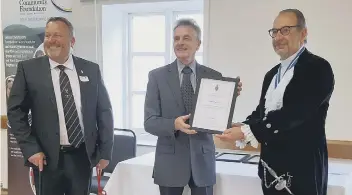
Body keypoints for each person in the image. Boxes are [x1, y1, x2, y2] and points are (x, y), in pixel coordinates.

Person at [217, 9, 334, 195]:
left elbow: (294, 114)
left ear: (303, 33)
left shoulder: (318, 68)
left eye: (285, 30)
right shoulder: (272, 74)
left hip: (302, 174)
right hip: (271, 172)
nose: (278, 37)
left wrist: (247, 131)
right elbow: (262, 113)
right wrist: (241, 125)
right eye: (275, 31)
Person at [7, 16, 114, 195]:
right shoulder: (28, 69)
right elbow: (15, 112)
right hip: (45, 158)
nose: (51, 40)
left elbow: (104, 112)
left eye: (57, 35)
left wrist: (105, 152)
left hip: (82, 156)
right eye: (47, 35)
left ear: (72, 41)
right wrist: (31, 149)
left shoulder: (90, 70)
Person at [144, 18, 241, 195]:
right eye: (176, 38)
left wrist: (229, 97)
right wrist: (174, 124)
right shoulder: (157, 77)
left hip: (203, 161)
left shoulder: (214, 76)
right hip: (169, 163)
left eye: (186, 38)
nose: (180, 42)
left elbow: (216, 121)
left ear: (198, 43)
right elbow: (149, 122)